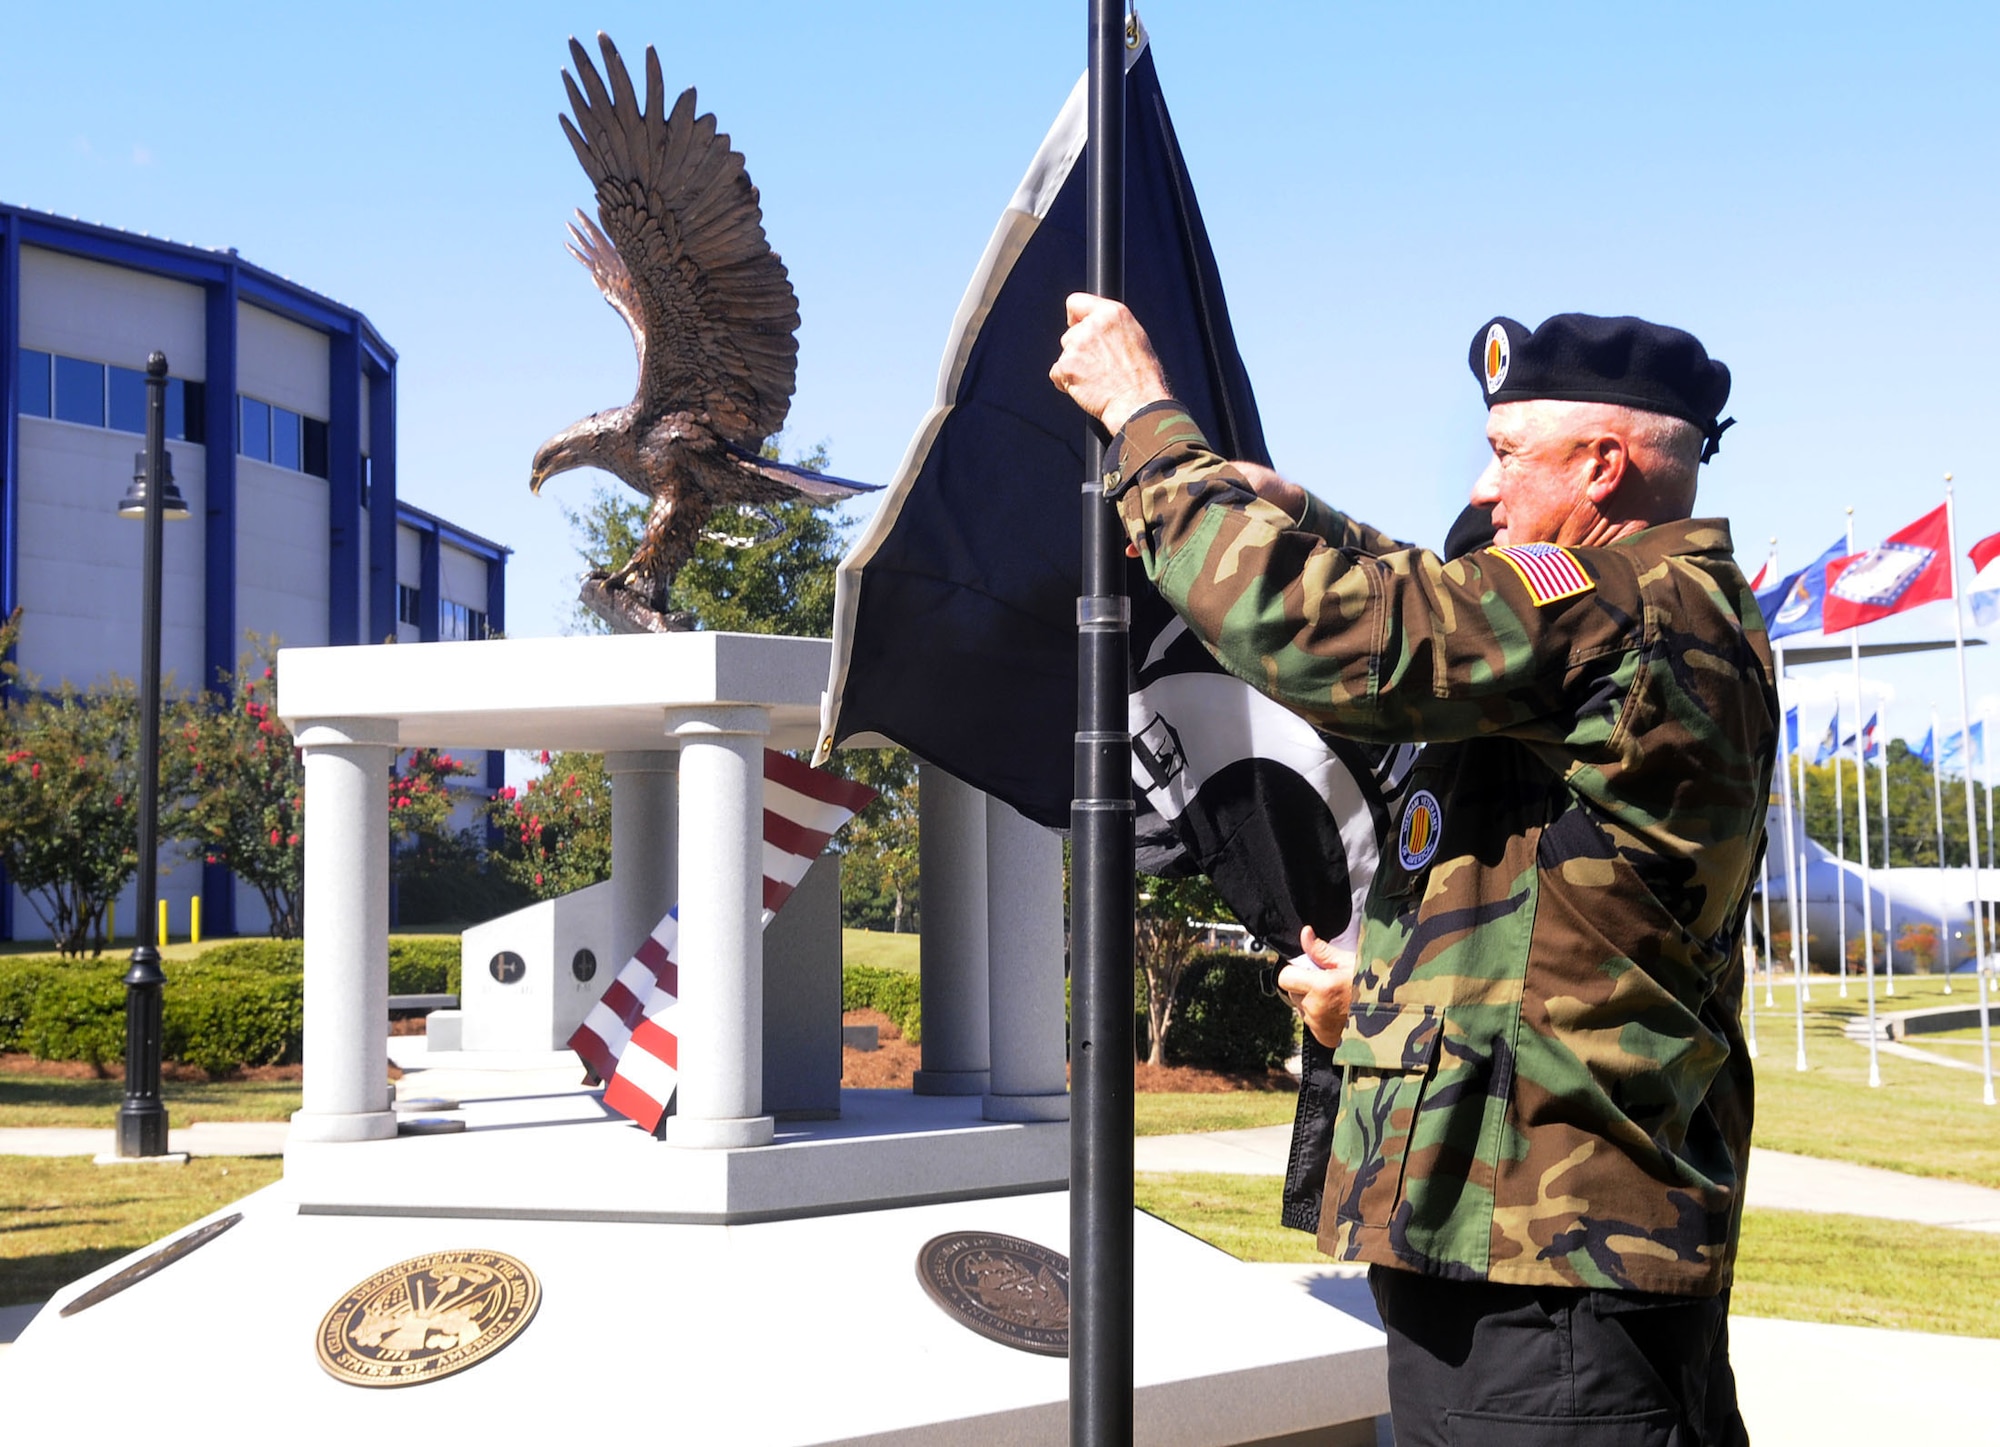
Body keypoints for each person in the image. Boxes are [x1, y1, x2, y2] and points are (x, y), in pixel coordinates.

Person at [1051, 300, 1776, 1447]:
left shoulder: (1623, 607)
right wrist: (1307, 512)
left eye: (1503, 456)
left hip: (1547, 1289)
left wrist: (1146, 420)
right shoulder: (1638, 613)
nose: (1483, 490)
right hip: (1537, 1257)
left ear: (1599, 465)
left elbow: (1353, 634)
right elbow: (1546, 923)